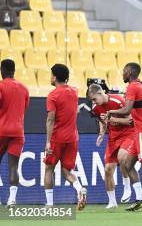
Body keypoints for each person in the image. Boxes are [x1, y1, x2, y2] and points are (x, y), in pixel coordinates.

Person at [104, 62, 142, 212]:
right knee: (127, 164)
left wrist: (111, 112)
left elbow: (126, 110)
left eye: (124, 70)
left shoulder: (132, 86)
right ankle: (140, 199)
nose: (123, 73)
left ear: (130, 72)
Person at [87, 83, 142, 209]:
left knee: (122, 157)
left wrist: (112, 120)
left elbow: (131, 120)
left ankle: (127, 186)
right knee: (108, 170)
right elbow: (102, 121)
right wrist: (101, 134)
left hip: (128, 133)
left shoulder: (118, 100)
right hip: (113, 138)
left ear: (101, 93)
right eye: (92, 100)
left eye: (94, 99)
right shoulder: (96, 107)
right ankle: (112, 202)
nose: (94, 102)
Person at [43, 64, 87, 210]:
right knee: (67, 171)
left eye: (51, 75)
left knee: (49, 169)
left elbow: (51, 119)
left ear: (54, 77)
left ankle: (49, 205)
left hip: (57, 138)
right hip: (72, 137)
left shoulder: (52, 95)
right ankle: (79, 189)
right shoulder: (74, 91)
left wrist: (48, 142)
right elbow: (73, 111)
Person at [0, 58, 29, 206]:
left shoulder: (0, 86)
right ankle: (12, 199)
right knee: (13, 166)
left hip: (1, 130)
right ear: (14, 70)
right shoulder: (24, 88)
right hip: (18, 132)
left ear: (2, 70)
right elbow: (24, 108)